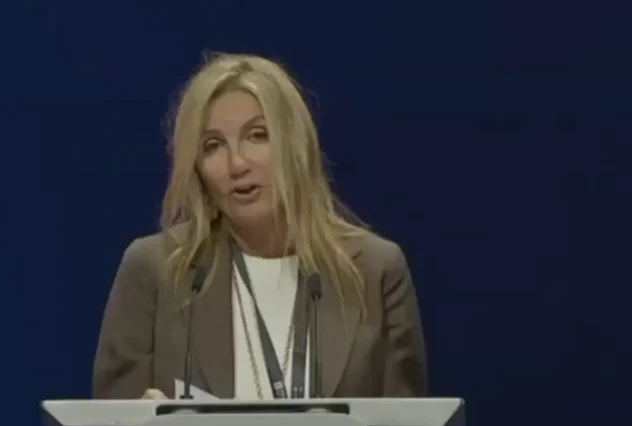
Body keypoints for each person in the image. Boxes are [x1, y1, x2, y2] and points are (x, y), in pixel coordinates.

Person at [92, 52, 428, 401]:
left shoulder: (375, 270)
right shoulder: (156, 270)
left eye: (257, 135)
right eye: (212, 146)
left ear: (296, 144)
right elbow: (111, 414)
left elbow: (409, 416)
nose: (237, 163)